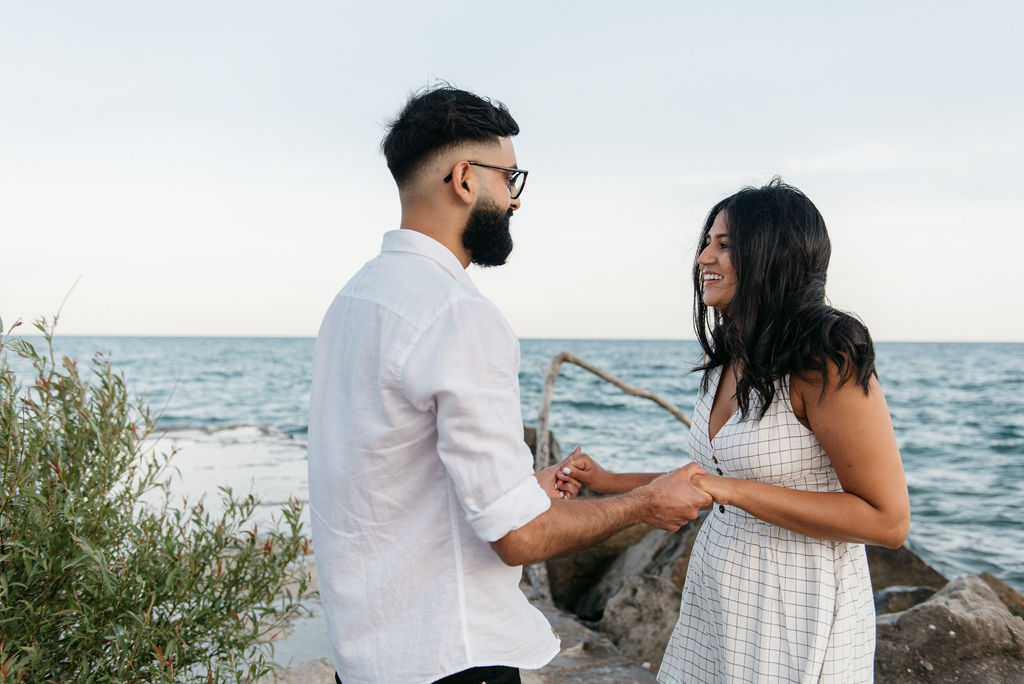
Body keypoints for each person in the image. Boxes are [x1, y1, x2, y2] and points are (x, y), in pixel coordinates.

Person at [307, 85, 712, 684]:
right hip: (451, 656)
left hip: (368, 657)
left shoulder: (353, 301)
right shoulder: (456, 313)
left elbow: (389, 477)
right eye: (511, 180)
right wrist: (644, 503)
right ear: (465, 180)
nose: (516, 202)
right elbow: (518, 537)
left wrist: (523, 488)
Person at [558, 179, 910, 683]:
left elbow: (888, 521)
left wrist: (725, 490)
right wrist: (609, 480)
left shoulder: (825, 357)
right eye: (707, 243)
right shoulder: (729, 355)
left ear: (772, 253)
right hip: (721, 588)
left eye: (725, 245)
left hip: (797, 603)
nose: (704, 257)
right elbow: (716, 474)